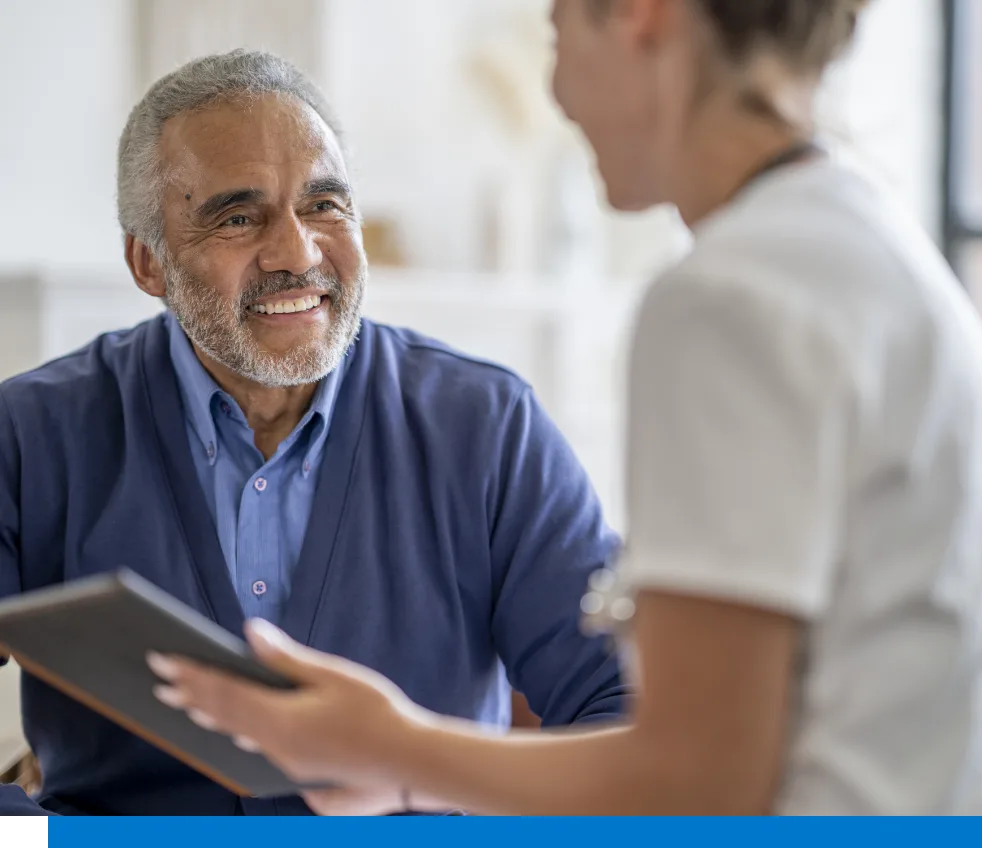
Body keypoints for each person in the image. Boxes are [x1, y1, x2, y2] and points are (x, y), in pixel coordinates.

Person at [153, 0, 982, 816]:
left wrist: (392, 749)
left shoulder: (732, 296)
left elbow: (696, 784)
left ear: (642, 17)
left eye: (560, 29)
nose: (558, 91)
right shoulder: (857, 245)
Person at [0, 49, 629, 816]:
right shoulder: (30, 434)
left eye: (326, 205)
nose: (298, 253)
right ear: (149, 263)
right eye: (238, 217)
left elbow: (624, 712)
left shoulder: (489, 427)